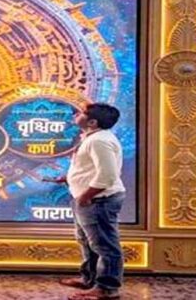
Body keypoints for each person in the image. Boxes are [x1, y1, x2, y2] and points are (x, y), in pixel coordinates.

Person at [59, 103, 125, 300]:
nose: (76, 114)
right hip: (89, 199)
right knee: (88, 242)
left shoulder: (99, 141)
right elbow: (91, 168)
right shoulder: (93, 138)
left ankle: (107, 288)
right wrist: (69, 178)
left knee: (104, 245)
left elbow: (107, 176)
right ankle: (89, 279)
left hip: (98, 201)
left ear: (92, 122)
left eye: (82, 113)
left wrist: (85, 197)